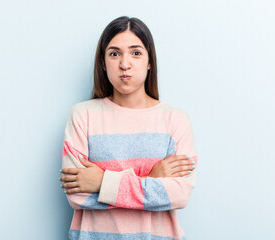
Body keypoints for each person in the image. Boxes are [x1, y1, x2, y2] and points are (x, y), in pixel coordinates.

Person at [59, 16, 198, 240]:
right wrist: (152, 177)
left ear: (149, 61)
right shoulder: (83, 115)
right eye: (114, 54)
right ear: (103, 63)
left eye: (136, 53)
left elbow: (179, 195)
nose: (125, 64)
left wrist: (102, 182)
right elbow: (79, 196)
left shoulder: (175, 120)